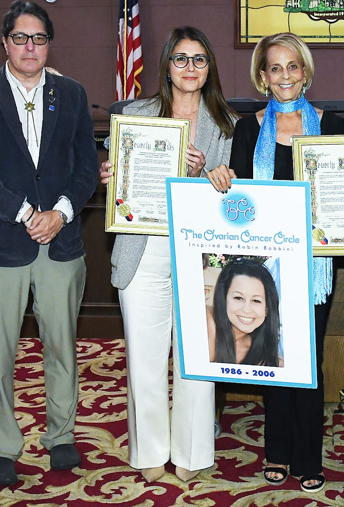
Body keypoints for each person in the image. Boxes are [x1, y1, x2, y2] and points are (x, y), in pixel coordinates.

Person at [0, 0, 98, 486]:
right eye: (20, 37)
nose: (29, 47)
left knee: (62, 345)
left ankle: (61, 434)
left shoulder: (71, 94)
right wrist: (25, 213)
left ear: (49, 43)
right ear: (5, 42)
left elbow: (85, 167)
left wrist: (61, 212)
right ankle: (1, 445)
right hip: (0, 244)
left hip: (61, 242)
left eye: (39, 38)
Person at [208, 32, 343, 493]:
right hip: (265, 265)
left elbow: (340, 192)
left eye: (293, 66)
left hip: (314, 264)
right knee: (273, 356)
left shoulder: (330, 124)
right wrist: (221, 177)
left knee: (307, 359)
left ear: (305, 72)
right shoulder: (248, 129)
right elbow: (237, 196)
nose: (285, 76)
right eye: (275, 68)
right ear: (262, 76)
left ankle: (309, 456)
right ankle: (278, 450)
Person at [102, 26, 236, 484]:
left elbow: (233, 198)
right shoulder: (135, 113)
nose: (190, 68)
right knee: (145, 356)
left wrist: (212, 175)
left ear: (209, 67)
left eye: (199, 59)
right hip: (144, 248)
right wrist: (110, 174)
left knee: (197, 358)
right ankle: (150, 451)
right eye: (181, 58)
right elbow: (119, 174)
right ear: (167, 65)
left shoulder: (227, 124)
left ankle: (194, 453)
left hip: (199, 250)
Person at [206, 257, 282, 366]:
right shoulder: (206, 321)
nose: (246, 310)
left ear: (267, 308)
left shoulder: (266, 356)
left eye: (256, 301)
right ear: (223, 299)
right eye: (238, 298)